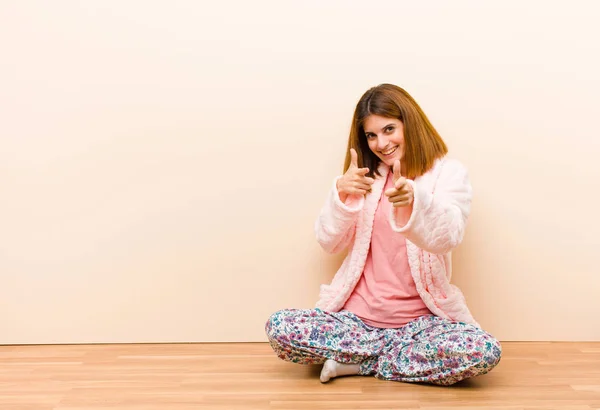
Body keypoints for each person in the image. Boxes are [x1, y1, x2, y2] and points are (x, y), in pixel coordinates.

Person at [265, 83, 501, 385]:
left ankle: (357, 362)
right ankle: (393, 357)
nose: (381, 143)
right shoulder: (364, 177)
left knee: (483, 351)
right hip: (356, 321)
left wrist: (417, 201)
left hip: (423, 325)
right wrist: (341, 195)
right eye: (371, 135)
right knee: (281, 327)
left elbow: (449, 235)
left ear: (410, 123)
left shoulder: (448, 173)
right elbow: (329, 242)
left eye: (389, 129)